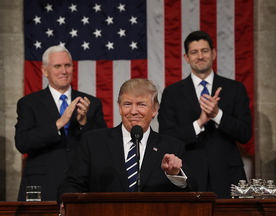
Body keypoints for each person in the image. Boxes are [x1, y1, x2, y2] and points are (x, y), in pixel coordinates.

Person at [57, 78, 197, 215]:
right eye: (127, 104)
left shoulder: (172, 146)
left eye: (141, 104)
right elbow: (72, 183)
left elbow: (190, 193)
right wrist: (66, 202)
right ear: (119, 107)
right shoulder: (92, 142)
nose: (133, 111)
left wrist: (175, 175)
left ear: (155, 110)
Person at [157, 31, 252, 198]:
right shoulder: (172, 93)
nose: (200, 56)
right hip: (189, 175)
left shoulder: (235, 88)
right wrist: (199, 123)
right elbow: (167, 136)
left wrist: (217, 115)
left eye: (205, 51)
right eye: (194, 52)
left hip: (228, 177)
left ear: (213, 53)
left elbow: (245, 134)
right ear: (186, 57)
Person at [15, 46, 107, 201]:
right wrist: (59, 123)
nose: (64, 71)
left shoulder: (91, 103)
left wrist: (84, 123)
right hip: (42, 186)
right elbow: (22, 142)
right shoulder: (28, 103)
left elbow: (104, 145)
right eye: (57, 66)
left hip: (82, 185)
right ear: (44, 71)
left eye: (68, 65)